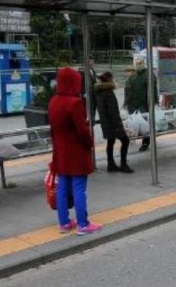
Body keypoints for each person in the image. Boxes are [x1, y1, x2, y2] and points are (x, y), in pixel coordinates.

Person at [48, 67, 102, 235]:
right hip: (76, 152)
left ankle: (64, 223)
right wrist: (90, 143)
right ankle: (83, 225)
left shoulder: (53, 102)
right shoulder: (74, 103)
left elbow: (52, 130)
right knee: (79, 188)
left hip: (61, 152)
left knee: (63, 187)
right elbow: (82, 130)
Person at [95, 71, 133, 173]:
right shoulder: (108, 93)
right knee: (125, 141)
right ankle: (123, 164)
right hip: (113, 123)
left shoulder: (99, 92)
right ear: (109, 79)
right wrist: (118, 125)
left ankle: (111, 164)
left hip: (105, 123)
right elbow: (113, 112)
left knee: (110, 141)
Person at [124, 58, 157, 152]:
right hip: (133, 105)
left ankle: (146, 142)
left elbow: (152, 90)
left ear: (143, 63)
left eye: (140, 63)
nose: (138, 65)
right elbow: (128, 90)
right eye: (137, 63)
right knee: (133, 123)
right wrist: (126, 102)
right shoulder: (133, 75)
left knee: (145, 125)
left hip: (144, 104)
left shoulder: (148, 75)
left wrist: (153, 102)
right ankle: (133, 138)